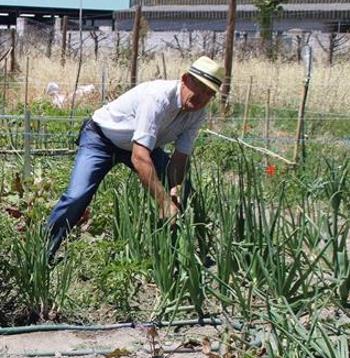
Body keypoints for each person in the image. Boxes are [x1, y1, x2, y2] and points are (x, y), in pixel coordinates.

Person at [46, 56, 225, 257]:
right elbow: (140, 158)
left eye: (209, 93)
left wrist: (175, 188)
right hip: (101, 139)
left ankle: (177, 251)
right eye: (199, 87)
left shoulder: (197, 113)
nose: (202, 97)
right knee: (77, 196)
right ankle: (44, 251)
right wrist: (164, 202)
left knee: (186, 193)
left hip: (141, 145)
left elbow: (180, 157)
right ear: (185, 79)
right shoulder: (158, 98)